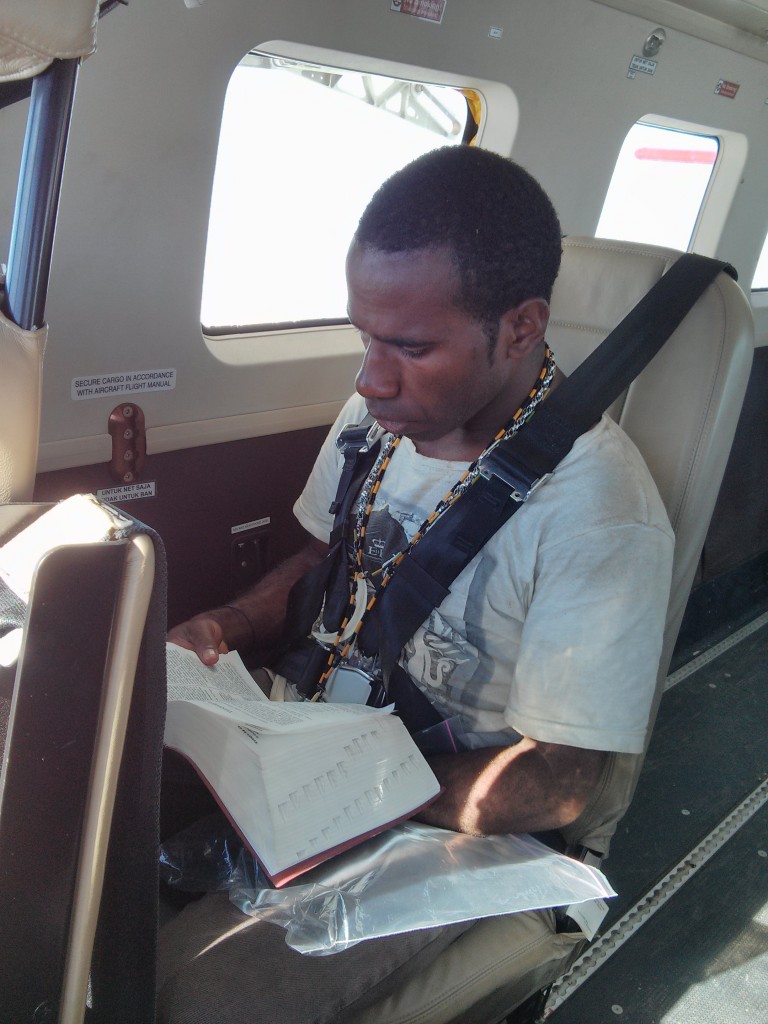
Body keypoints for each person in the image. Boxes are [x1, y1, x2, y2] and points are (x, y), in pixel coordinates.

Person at [158, 146, 674, 1023]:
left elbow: (555, 785)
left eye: (411, 346)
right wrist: (232, 623)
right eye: (365, 336)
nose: (369, 377)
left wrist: (355, 789)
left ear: (521, 328)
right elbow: (323, 560)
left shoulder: (598, 513)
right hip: (312, 742)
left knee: (198, 1000)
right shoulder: (381, 417)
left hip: (459, 826)